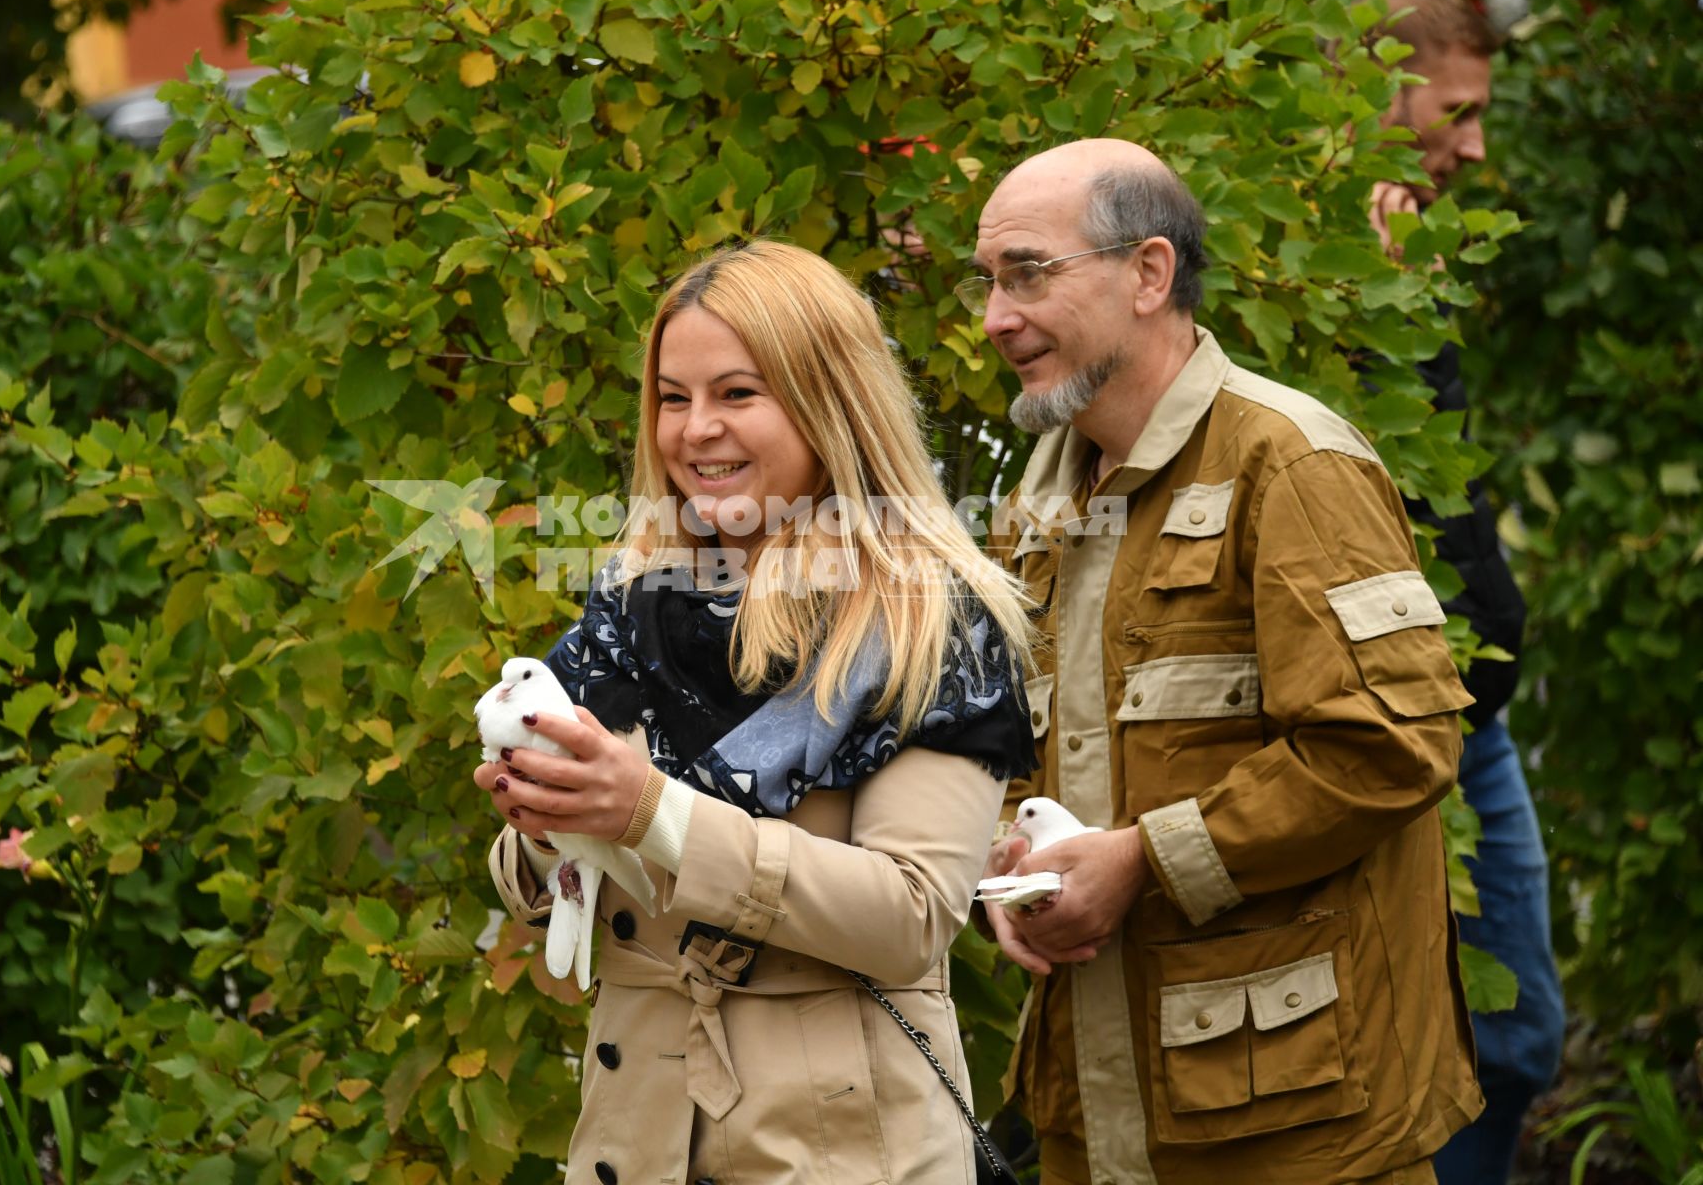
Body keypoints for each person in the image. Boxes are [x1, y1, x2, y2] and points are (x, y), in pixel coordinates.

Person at [969, 138, 1483, 1184]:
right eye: (988, 282)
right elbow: (1021, 752)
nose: (995, 318)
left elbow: (1391, 744)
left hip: (1295, 1127)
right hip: (1100, 1116)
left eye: (1028, 273)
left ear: (1149, 273)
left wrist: (1140, 861)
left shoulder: (1291, 461)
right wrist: (1007, 871)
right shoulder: (1036, 501)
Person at [476, 240, 1039, 1185]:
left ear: (830, 404)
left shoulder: (928, 617)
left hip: (839, 1152)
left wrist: (649, 813)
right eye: (673, 397)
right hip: (636, 1142)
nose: (697, 431)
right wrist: (543, 820)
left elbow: (909, 917)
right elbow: (539, 887)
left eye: (739, 394)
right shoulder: (633, 599)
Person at [1372, 0, 1565, 1185]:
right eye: (1457, 109)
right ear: (1379, 96)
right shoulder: (1312, 277)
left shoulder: (1394, 259)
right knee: (1494, 1037)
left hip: (1467, 719)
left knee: (1518, 1032)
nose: (1476, 143)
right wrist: (1373, 306)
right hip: (1398, 725)